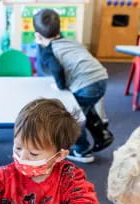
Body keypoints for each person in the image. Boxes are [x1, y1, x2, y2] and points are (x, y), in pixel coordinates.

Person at [33, 8, 113, 164]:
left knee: (72, 117)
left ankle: (82, 151)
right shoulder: (70, 40)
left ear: (38, 35)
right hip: (101, 77)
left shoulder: (49, 51)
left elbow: (55, 69)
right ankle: (102, 133)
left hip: (87, 84)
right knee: (83, 109)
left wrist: (61, 86)